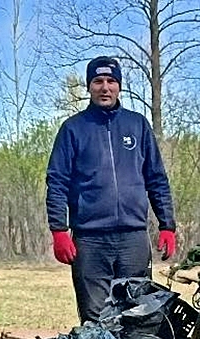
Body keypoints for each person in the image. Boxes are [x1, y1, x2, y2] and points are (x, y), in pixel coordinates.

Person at [45, 56, 176, 324]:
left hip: (133, 238)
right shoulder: (73, 129)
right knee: (96, 322)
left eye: (111, 81)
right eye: (98, 81)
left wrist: (167, 225)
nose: (105, 87)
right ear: (89, 86)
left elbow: (156, 178)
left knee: (139, 316)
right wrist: (59, 230)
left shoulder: (137, 125)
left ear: (119, 87)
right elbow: (57, 181)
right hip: (90, 241)